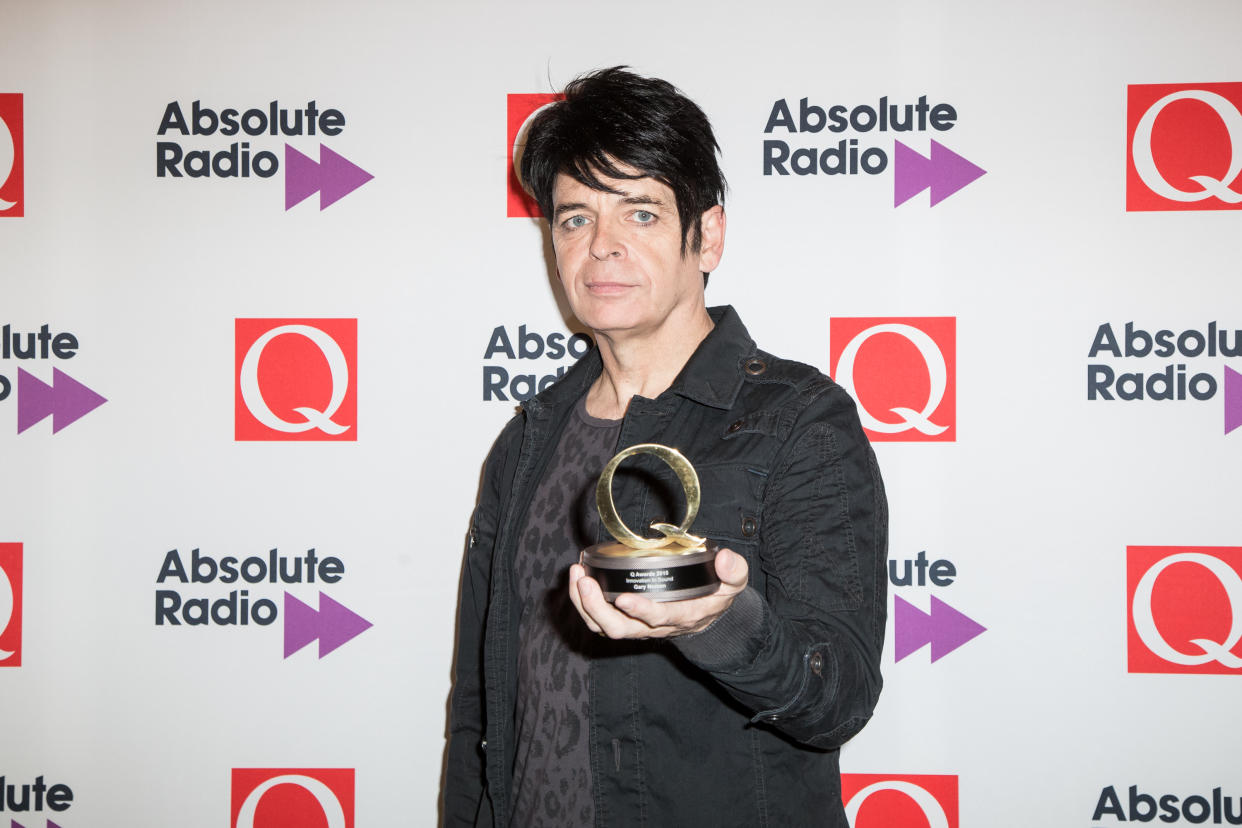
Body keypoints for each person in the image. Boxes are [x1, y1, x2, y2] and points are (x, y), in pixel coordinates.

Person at [444, 67, 887, 827]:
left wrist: (720, 626)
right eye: (575, 218)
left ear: (706, 234)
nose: (602, 247)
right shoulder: (524, 440)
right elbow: (478, 711)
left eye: (640, 213)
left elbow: (838, 697)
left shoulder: (800, 421)